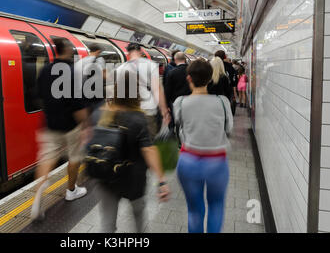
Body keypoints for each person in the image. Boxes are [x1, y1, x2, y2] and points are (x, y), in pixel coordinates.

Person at [91, 70, 170, 233]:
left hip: (105, 177)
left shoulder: (100, 113)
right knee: (138, 216)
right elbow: (149, 150)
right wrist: (162, 181)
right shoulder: (139, 119)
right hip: (133, 178)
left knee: (107, 224)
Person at [31, 39, 89, 220]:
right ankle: (71, 190)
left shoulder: (45, 70)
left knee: (47, 159)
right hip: (71, 125)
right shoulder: (73, 72)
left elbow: (40, 97)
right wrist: (85, 126)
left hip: (50, 124)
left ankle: (38, 196)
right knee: (75, 156)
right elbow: (78, 104)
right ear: (69, 50)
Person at [173, 59, 233, 233]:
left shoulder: (180, 102)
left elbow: (179, 127)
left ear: (188, 78)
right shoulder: (222, 101)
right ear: (209, 79)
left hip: (188, 160)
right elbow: (228, 128)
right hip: (217, 162)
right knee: (216, 206)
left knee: (194, 210)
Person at [116, 43, 170, 139]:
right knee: (147, 141)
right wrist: (164, 110)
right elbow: (156, 89)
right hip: (148, 111)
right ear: (141, 52)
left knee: (130, 143)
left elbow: (119, 95)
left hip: (128, 112)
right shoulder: (151, 65)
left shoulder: (120, 69)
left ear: (128, 54)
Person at [74, 44, 106, 113]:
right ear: (98, 51)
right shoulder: (99, 61)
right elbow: (104, 76)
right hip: (96, 97)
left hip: (83, 97)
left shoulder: (79, 62)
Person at [214, 50, 237, 115]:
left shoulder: (211, 66)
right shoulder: (229, 66)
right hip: (226, 93)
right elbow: (233, 80)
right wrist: (234, 93)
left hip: (214, 95)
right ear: (224, 57)